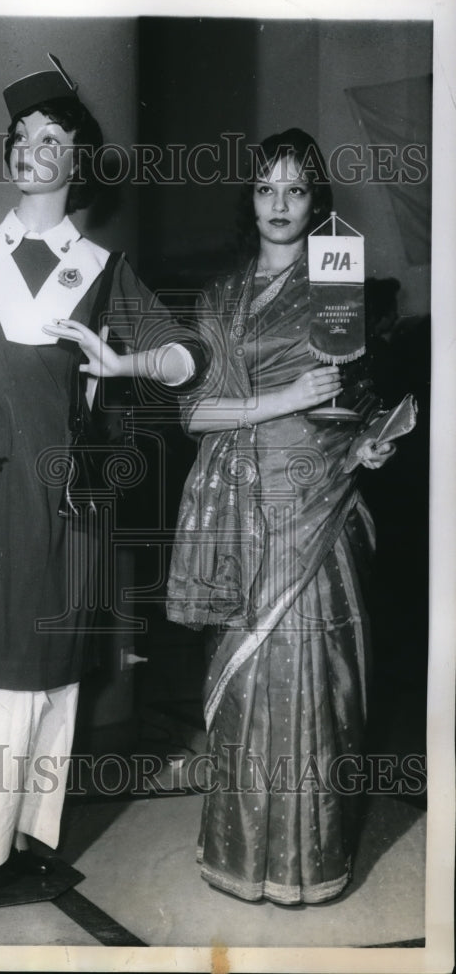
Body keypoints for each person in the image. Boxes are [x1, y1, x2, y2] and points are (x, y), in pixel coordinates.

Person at [0, 58, 209, 908]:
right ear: (8, 159)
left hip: (71, 491)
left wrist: (128, 359)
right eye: (26, 139)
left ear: (78, 163)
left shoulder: (102, 266)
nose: (38, 150)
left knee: (59, 669)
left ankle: (32, 842)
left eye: (57, 139)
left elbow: (188, 355)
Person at [164, 128, 396, 904]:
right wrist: (282, 399)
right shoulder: (218, 298)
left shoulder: (338, 284)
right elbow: (192, 414)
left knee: (312, 673)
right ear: (249, 198)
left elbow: (352, 398)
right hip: (239, 506)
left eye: (295, 190)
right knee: (243, 677)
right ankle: (238, 855)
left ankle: (307, 860)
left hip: (316, 499)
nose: (279, 204)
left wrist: (371, 441)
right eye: (265, 188)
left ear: (315, 202)